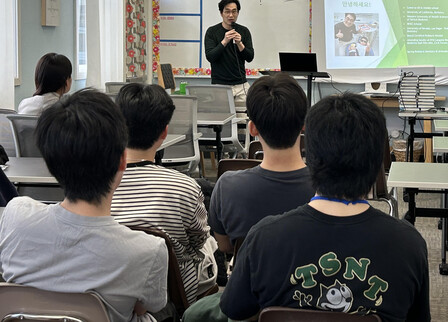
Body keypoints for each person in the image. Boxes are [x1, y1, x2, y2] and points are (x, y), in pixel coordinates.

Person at [183, 92, 430, 322]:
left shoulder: (264, 238)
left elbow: (235, 310)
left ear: (309, 156)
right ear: (379, 164)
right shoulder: (409, 244)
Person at [0, 89, 168, 322]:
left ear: (50, 163)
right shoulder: (148, 250)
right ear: (122, 161)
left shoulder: (15, 216)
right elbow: (143, 308)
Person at [111, 83, 216, 304]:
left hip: (111, 291)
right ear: (164, 132)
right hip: (171, 295)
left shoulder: (98, 187)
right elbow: (198, 239)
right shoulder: (185, 186)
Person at [208, 73, 313, 255]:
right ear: (304, 123)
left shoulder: (227, 186)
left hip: (249, 282)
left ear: (252, 128)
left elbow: (224, 246)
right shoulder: (327, 187)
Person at [204, 0, 254, 103]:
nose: (231, 15)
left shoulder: (244, 31)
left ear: (238, 13)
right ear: (221, 13)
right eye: (227, 11)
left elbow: (250, 57)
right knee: (222, 118)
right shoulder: (212, 31)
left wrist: (240, 43)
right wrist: (224, 41)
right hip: (220, 85)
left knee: (243, 119)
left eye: (234, 11)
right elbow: (210, 56)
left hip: (241, 85)